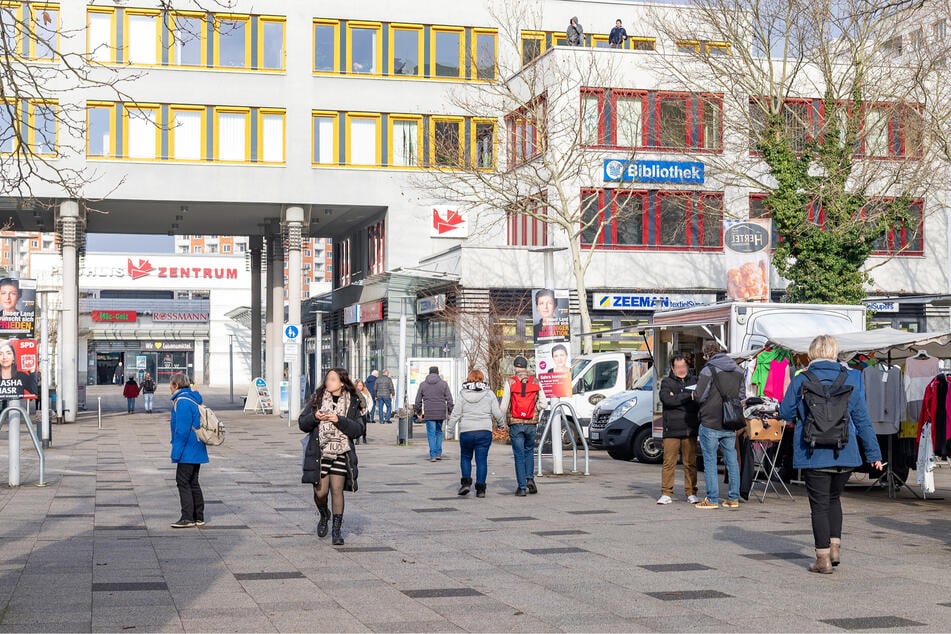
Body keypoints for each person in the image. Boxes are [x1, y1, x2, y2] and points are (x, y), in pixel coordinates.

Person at [778, 335, 883, 574]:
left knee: (819, 506)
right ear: (835, 352)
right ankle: (835, 547)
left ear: (812, 353)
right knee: (834, 500)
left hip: (814, 453)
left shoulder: (801, 379)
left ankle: (822, 558)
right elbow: (863, 421)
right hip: (845, 452)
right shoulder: (850, 379)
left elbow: (785, 412)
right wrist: (873, 454)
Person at [299, 368, 366, 546]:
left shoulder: (352, 402)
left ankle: (337, 531)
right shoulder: (317, 399)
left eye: (333, 379)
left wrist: (339, 420)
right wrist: (315, 416)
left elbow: (359, 430)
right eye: (328, 379)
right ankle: (324, 514)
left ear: (342, 383)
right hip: (319, 452)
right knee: (320, 492)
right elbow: (302, 423)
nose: (329, 382)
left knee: (337, 489)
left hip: (341, 451)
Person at [693, 341, 745, 509]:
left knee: (710, 460)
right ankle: (733, 498)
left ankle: (712, 499)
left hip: (710, 420)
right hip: (730, 421)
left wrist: (693, 395)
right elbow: (742, 395)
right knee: (731, 460)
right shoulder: (738, 370)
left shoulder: (708, 370)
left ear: (707, 354)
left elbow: (700, 396)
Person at [449, 369, 504, 498]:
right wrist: (501, 424)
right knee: (481, 460)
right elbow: (497, 412)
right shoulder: (489, 393)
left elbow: (456, 413)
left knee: (466, 457)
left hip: (467, 431)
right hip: (484, 431)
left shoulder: (462, 394)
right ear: (481, 379)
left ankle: (466, 483)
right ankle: (480, 489)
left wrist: (450, 430)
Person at [500, 355, 549, 496]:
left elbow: (504, 406)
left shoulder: (510, 381)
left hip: (515, 423)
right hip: (531, 424)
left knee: (519, 454)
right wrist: (535, 410)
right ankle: (530, 480)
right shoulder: (535, 380)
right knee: (528, 451)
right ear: (526, 367)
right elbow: (544, 403)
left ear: (515, 367)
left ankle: (521, 487)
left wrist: (501, 421)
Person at [658, 354, 700, 505]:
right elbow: (666, 400)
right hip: (671, 429)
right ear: (672, 368)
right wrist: (689, 396)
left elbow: (699, 401)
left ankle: (691, 492)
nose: (681, 370)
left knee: (690, 463)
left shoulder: (695, 380)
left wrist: (677, 397)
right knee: (669, 462)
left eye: (683, 367)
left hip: (690, 427)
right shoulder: (666, 382)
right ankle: (666, 493)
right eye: (678, 368)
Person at [169, 373, 207, 528]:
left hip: (188, 448)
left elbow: (182, 430)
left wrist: (175, 452)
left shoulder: (182, 402)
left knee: (182, 481)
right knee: (193, 482)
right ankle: (198, 516)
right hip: (197, 446)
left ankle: (187, 517)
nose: (169, 389)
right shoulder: (192, 398)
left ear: (176, 385)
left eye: (170, 385)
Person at [415, 366, 454, 462]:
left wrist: (419, 412)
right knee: (439, 432)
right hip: (440, 411)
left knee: (431, 433)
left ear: (429, 373)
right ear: (437, 373)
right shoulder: (444, 384)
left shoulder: (423, 385)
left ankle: (432, 455)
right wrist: (450, 411)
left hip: (429, 412)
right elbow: (449, 399)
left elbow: (418, 400)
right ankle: (438, 453)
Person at [353, 379, 373, 444]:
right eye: (358, 385)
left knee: (364, 426)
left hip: (365, 411)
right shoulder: (354, 392)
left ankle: (364, 437)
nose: (360, 387)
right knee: (358, 425)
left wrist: (368, 410)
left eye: (361, 385)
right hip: (357, 411)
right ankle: (357, 439)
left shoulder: (366, 392)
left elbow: (370, 402)